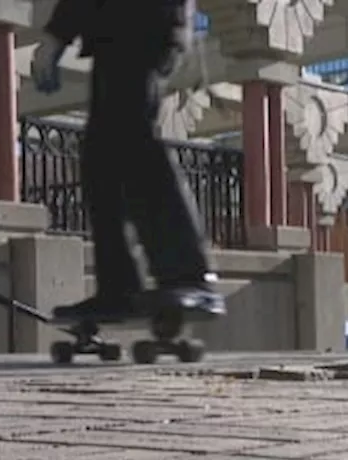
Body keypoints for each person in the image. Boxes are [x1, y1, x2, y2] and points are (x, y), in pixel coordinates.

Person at [31, 0, 225, 321]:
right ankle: (118, 288)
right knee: (101, 160)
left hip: (143, 23)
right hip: (117, 29)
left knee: (135, 143)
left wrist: (56, 36)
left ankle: (190, 275)